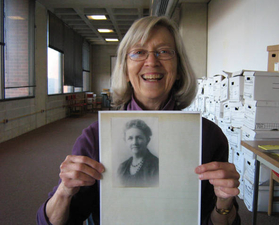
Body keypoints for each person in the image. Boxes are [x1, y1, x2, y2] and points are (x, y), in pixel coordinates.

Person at [37, 16, 240, 225]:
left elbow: (215, 221)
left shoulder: (207, 136)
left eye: (164, 51)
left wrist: (225, 202)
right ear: (125, 69)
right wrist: (64, 191)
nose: (151, 61)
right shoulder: (96, 136)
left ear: (179, 69)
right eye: (138, 52)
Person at [117, 119, 159, 187]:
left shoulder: (156, 165)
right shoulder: (122, 168)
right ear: (125, 141)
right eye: (130, 138)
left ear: (147, 140)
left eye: (139, 138)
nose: (134, 143)